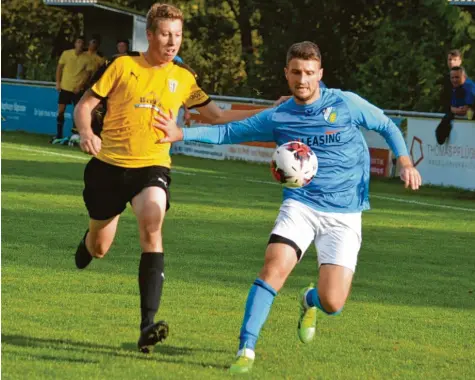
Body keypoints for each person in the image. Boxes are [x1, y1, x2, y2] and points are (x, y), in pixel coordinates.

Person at [153, 41, 422, 374]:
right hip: (301, 204)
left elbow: (387, 126)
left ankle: (309, 300)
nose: (302, 80)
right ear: (286, 73)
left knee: (333, 303)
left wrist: (405, 161)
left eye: (309, 73)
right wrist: (181, 133)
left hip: (345, 213)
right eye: (296, 72)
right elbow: (227, 132)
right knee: (274, 267)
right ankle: (246, 349)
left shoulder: (346, 104)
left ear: (320, 74)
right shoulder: (280, 115)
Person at [73, 2, 267, 354]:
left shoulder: (184, 78)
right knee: (99, 248)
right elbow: (84, 106)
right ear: (150, 35)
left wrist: (271, 109)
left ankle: (147, 325)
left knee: (153, 220)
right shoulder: (122, 66)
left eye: (178, 35)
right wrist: (87, 131)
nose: (172, 41)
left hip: (152, 167)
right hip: (109, 168)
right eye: (165, 34)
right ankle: (89, 241)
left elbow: (218, 115)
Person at [52, 36, 89, 144]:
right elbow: (59, 68)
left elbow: (88, 74)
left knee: (77, 112)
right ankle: (59, 134)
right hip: (65, 87)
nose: (80, 44)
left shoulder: (87, 58)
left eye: (82, 43)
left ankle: (75, 136)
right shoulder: (66, 54)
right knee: (61, 111)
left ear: (84, 45)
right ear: (75, 44)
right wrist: (58, 82)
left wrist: (80, 86)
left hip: (77, 89)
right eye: (78, 42)